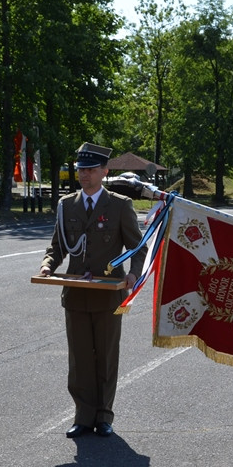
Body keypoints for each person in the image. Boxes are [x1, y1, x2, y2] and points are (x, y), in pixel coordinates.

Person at [40, 142, 146, 438]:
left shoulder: (119, 205)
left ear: (104, 171)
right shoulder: (67, 204)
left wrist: (134, 274)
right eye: (80, 169)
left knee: (106, 356)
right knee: (80, 358)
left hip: (109, 293)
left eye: (89, 169)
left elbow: (137, 247)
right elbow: (58, 245)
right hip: (75, 293)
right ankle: (83, 416)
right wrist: (48, 265)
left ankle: (104, 416)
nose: (83, 174)